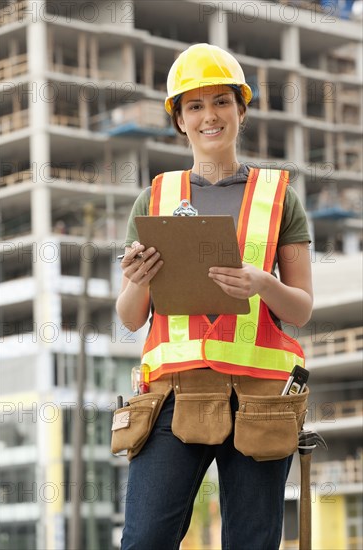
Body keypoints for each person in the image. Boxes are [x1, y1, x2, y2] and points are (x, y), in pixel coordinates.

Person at [116, 43, 313, 550]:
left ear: (242, 110)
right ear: (179, 120)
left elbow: (302, 309)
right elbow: (131, 317)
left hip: (259, 399)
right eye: (195, 106)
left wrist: (263, 284)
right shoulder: (156, 196)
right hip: (173, 397)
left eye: (222, 102)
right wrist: (139, 277)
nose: (210, 116)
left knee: (251, 542)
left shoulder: (278, 197)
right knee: (144, 540)